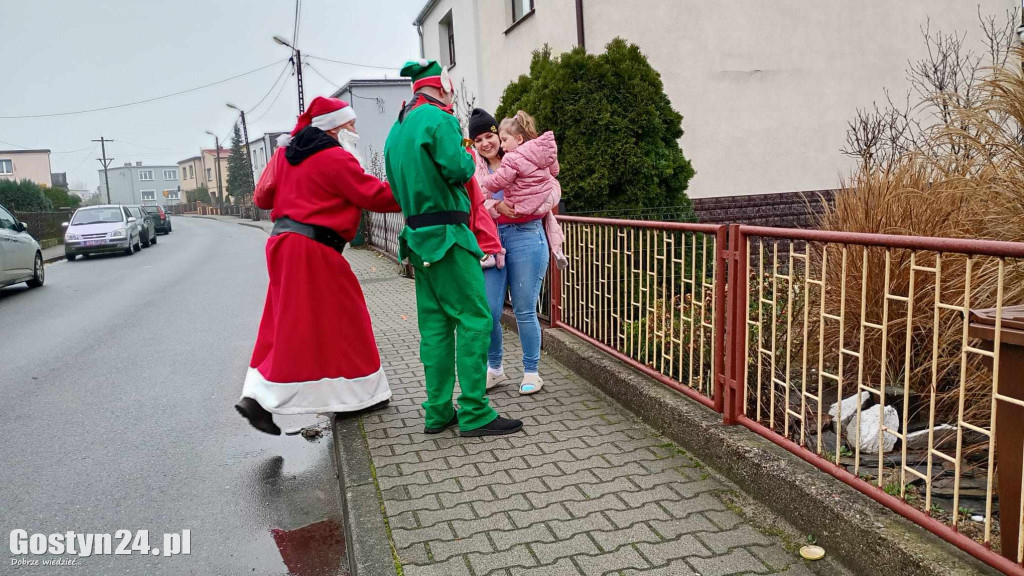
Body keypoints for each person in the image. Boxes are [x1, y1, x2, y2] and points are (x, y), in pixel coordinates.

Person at [235, 96, 402, 436]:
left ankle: (258, 396)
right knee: (346, 317)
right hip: (314, 249)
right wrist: (419, 188)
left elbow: (261, 198)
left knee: (285, 322)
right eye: (351, 124)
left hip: (283, 244)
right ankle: (359, 395)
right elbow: (377, 197)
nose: (355, 129)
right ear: (337, 128)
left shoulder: (285, 154)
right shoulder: (336, 157)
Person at [384, 60, 523, 437]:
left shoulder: (395, 131)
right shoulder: (439, 119)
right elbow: (462, 169)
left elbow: (395, 188)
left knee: (436, 328)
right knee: (475, 319)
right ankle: (476, 411)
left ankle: (438, 411)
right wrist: (464, 147)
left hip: (416, 241)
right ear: (443, 88)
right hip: (449, 237)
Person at [474, 110, 563, 396]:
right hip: (491, 241)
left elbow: (553, 188)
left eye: (490, 136)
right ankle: (495, 369)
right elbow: (471, 201)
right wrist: (495, 206)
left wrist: (534, 205)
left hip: (526, 235)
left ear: (501, 138)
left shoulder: (525, 155)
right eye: (479, 139)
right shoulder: (473, 167)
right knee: (488, 311)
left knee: (524, 309)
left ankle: (531, 372)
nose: (486, 143)